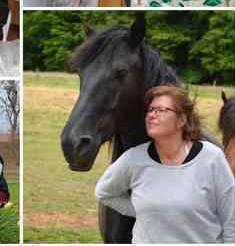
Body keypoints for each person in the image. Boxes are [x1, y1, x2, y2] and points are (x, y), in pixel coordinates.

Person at [95, 85, 235, 243]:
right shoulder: (133, 159)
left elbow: (230, 218)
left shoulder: (211, 157)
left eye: (161, 110)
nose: (152, 115)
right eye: (150, 110)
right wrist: (143, 210)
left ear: (182, 120)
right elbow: (104, 192)